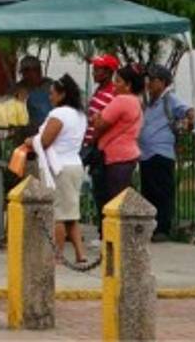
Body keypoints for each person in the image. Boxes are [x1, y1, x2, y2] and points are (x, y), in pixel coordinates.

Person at [25, 74, 87, 264]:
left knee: (58, 214)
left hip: (59, 167)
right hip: (74, 164)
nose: (50, 97)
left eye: (52, 94)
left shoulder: (59, 115)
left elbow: (45, 141)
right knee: (71, 213)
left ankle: (57, 254)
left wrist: (30, 141)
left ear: (62, 95)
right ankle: (80, 253)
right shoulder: (80, 115)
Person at [139, 63, 195, 242]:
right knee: (149, 192)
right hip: (146, 154)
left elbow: (189, 111)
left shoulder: (169, 99)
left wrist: (190, 124)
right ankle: (152, 227)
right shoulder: (150, 103)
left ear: (162, 82)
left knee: (162, 192)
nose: (148, 83)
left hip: (161, 153)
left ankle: (163, 228)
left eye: (153, 80)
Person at [90, 64, 144, 200]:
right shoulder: (136, 102)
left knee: (114, 198)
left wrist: (97, 117)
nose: (114, 85)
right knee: (123, 196)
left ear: (128, 85)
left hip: (116, 156)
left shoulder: (121, 100)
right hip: (128, 155)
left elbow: (100, 124)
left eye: (118, 81)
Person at [83, 53, 120, 217]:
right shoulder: (99, 91)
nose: (94, 73)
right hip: (94, 145)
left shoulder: (112, 93)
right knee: (98, 189)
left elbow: (105, 121)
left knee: (104, 190)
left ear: (108, 72)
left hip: (101, 147)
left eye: (97, 70)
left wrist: (93, 141)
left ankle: (104, 230)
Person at [13, 55, 52, 128]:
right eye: (23, 73)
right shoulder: (19, 87)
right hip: (26, 129)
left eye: (27, 72)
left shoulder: (50, 86)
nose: (25, 76)